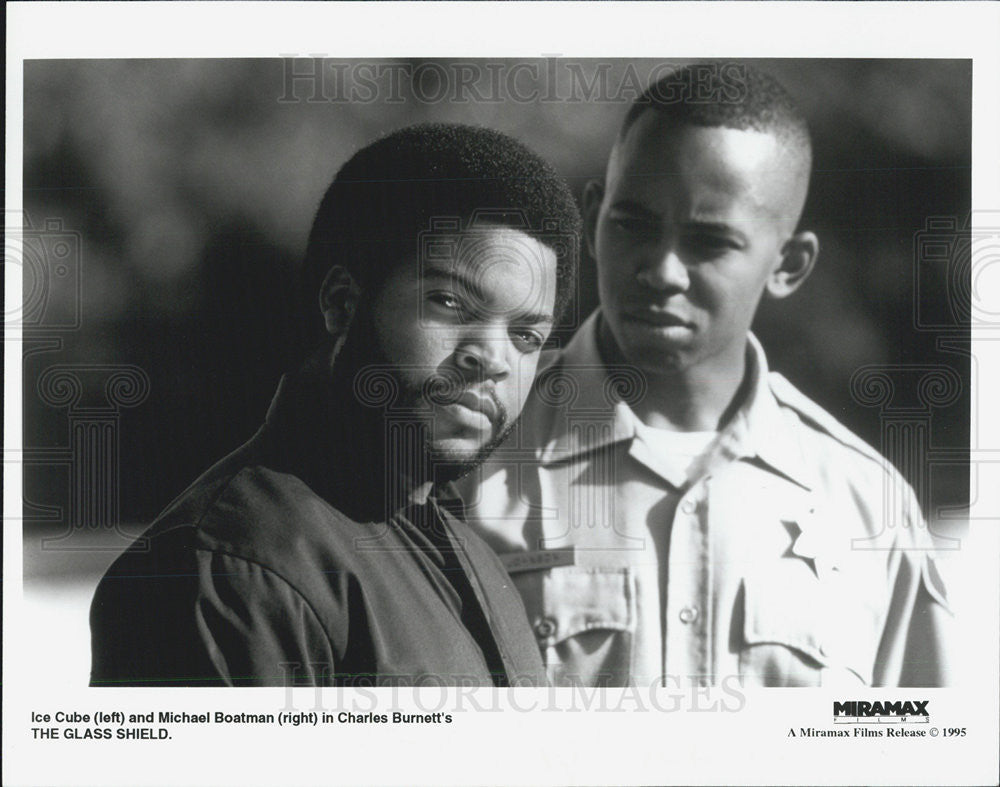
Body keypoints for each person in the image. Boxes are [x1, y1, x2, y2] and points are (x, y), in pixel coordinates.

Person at [460, 65, 953, 688]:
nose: (662, 270)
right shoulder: (470, 457)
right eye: (632, 224)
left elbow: (917, 745)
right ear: (591, 220)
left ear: (789, 265)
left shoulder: (865, 505)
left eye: (710, 242)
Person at [89, 123, 581, 687]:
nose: (492, 357)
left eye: (526, 337)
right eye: (449, 302)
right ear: (342, 302)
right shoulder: (230, 569)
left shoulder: (474, 557)